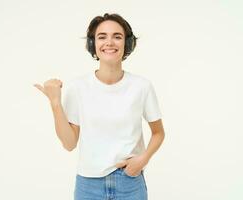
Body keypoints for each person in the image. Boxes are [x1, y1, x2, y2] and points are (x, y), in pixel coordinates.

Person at [34, 13, 165, 200]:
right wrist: (55, 103)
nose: (109, 42)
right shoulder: (78, 87)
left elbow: (159, 133)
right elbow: (69, 143)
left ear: (126, 44)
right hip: (88, 186)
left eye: (117, 36)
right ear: (92, 44)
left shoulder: (141, 86)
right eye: (102, 36)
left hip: (130, 183)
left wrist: (142, 160)